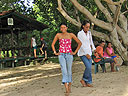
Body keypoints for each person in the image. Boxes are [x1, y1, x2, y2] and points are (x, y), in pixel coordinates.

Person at [51, 23, 81, 94]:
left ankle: (69, 87)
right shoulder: (58, 35)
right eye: (61, 27)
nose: (63, 29)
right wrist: (55, 52)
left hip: (69, 55)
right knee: (64, 70)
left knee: (69, 71)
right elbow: (52, 44)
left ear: (66, 28)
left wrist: (74, 52)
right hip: (61, 55)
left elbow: (79, 43)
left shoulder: (71, 35)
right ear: (60, 28)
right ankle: (66, 89)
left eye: (64, 27)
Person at [77, 20, 96, 87]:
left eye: (88, 27)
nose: (88, 28)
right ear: (83, 26)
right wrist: (86, 54)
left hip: (89, 52)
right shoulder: (80, 34)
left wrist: (94, 49)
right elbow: (80, 44)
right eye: (86, 27)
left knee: (89, 67)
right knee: (88, 66)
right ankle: (84, 79)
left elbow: (91, 42)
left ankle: (88, 82)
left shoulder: (89, 33)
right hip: (82, 53)